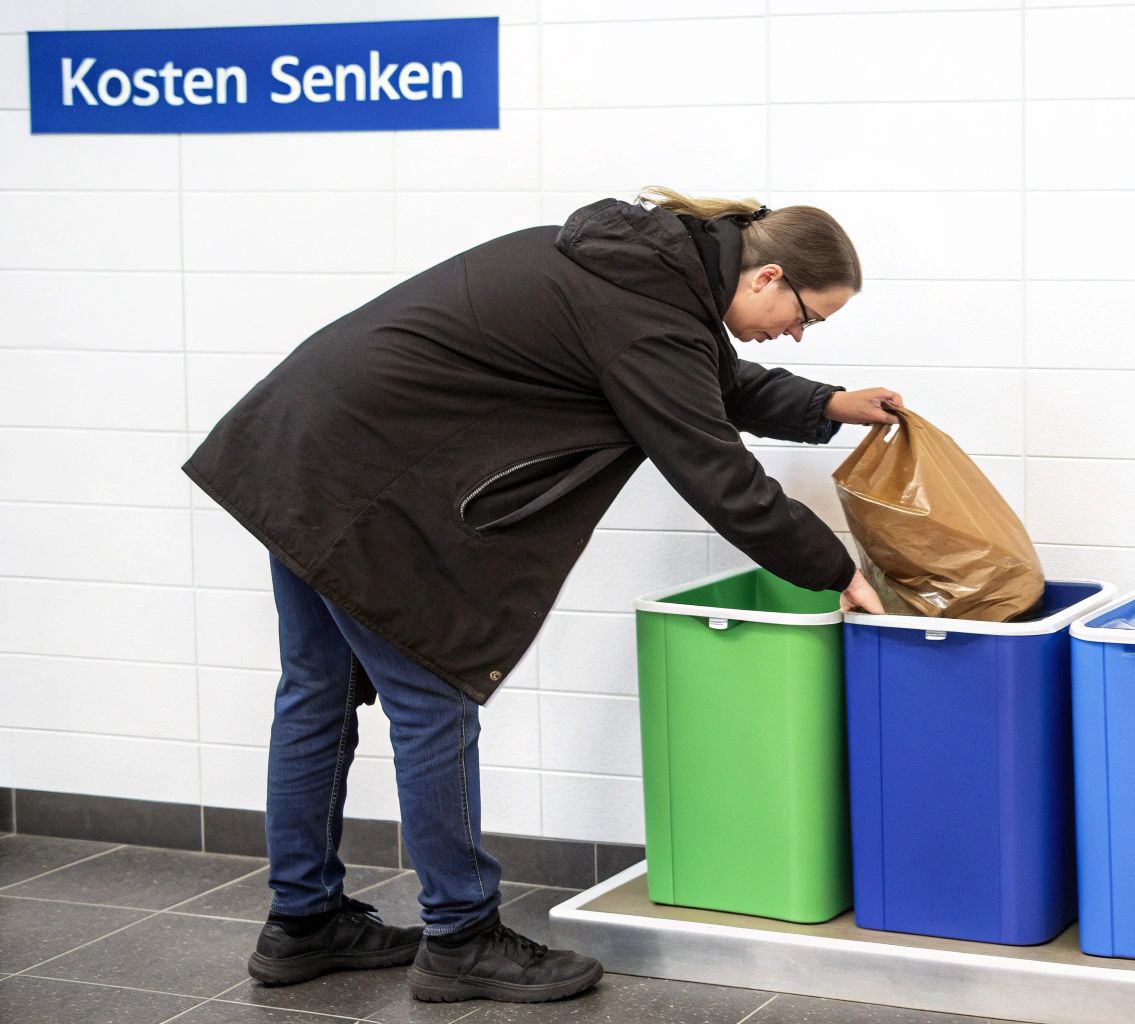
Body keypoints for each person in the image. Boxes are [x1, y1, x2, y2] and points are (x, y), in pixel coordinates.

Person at [183, 187, 898, 1003]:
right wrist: (836, 571)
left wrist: (828, 405)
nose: (799, 332)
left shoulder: (647, 273)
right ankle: (461, 936)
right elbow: (718, 473)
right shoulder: (648, 309)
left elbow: (702, 381)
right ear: (768, 275)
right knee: (434, 698)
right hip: (362, 479)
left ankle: (302, 924)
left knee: (316, 691)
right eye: (807, 315)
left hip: (306, 447)